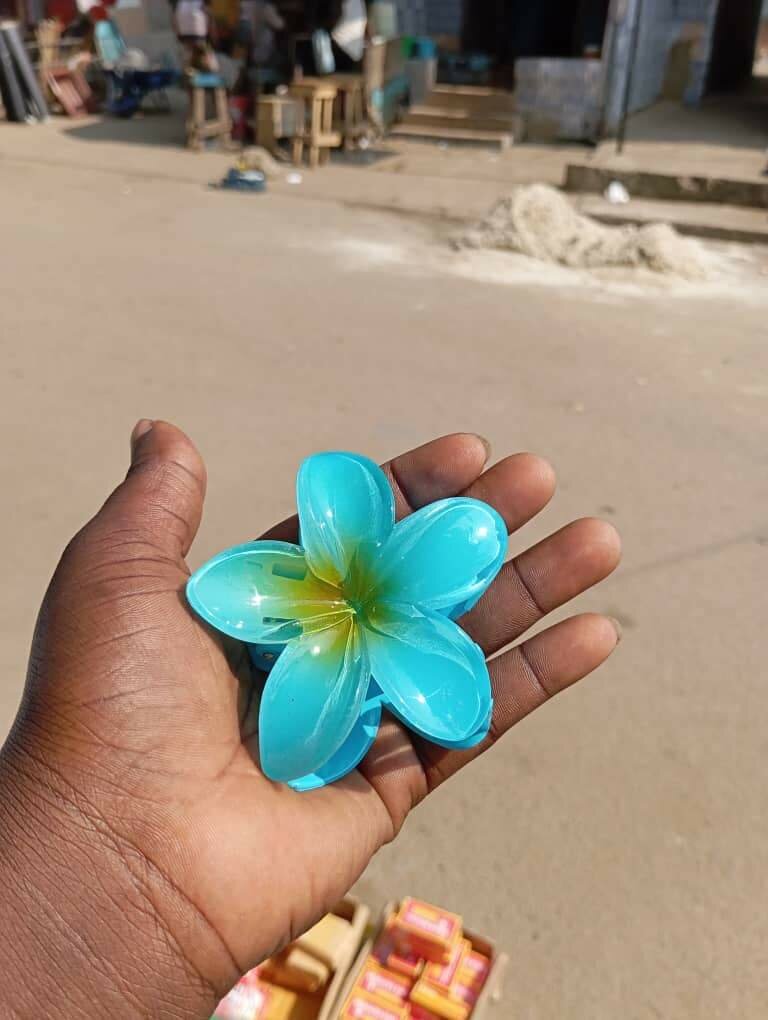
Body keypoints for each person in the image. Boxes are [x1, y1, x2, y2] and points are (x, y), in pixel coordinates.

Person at [0, 421, 621, 1015]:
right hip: (318, 648)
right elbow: (228, 589)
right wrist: (99, 850)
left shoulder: (452, 554)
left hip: (379, 645)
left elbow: (457, 553)